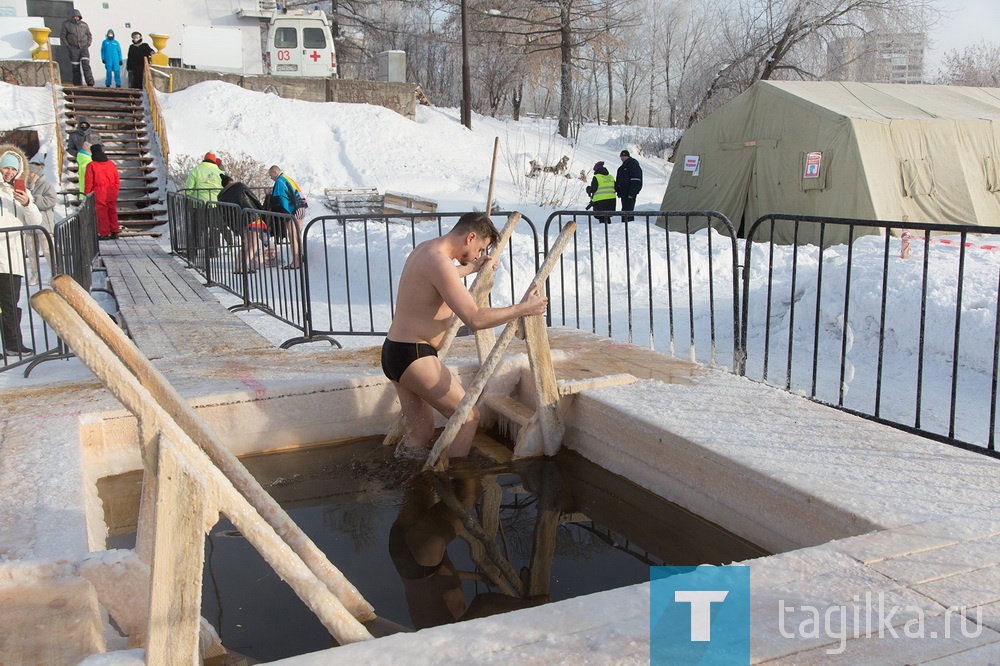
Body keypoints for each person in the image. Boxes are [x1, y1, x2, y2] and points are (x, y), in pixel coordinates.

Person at [381, 212, 548, 459]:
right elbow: (475, 318)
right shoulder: (439, 262)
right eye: (480, 248)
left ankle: (409, 482)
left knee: (422, 431)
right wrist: (523, 308)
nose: (480, 255)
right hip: (415, 355)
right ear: (470, 237)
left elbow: (439, 276)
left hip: (395, 351)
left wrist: (469, 268)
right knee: (468, 418)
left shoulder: (426, 251)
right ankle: (457, 481)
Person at [0, 145, 42, 356]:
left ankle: (13, 343)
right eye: (5, 168)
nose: (9, 172)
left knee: (11, 303)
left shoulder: (21, 192)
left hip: (12, 256)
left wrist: (27, 203)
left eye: (13, 169)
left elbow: (36, 221)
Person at [218, 174, 269, 273]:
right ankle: (245, 266)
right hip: (252, 216)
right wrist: (262, 213)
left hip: (241, 221)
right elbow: (254, 199)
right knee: (253, 245)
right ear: (231, 180)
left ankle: (238, 267)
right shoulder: (239, 187)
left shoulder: (222, 196)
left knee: (246, 245)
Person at [267, 165, 307, 270]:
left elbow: (275, 200)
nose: (270, 178)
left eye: (270, 175)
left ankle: (296, 262)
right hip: (301, 207)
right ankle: (299, 257)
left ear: (275, 172)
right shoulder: (287, 178)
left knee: (292, 236)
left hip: (293, 210)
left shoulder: (279, 181)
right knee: (297, 236)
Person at [25, 161, 57, 286]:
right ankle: (35, 274)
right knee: (32, 252)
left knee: (48, 251)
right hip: (29, 223)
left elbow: (51, 201)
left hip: (44, 224)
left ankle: (54, 273)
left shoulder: (46, 186)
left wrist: (33, 200)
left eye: (31, 173)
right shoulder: (25, 186)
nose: (29, 175)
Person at [84, 144, 120, 240]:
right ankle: (115, 231)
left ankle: (104, 233)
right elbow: (117, 179)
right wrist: (116, 190)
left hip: (99, 192)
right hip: (111, 191)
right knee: (112, 211)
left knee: (102, 213)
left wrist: (87, 194)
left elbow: (89, 182)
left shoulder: (91, 165)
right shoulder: (111, 164)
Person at [60, 9, 94, 87]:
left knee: (86, 65)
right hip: (73, 48)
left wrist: (88, 44)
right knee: (75, 67)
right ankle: (77, 83)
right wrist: (68, 46)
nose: (76, 18)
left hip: (84, 48)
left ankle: (90, 81)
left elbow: (89, 35)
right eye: (74, 16)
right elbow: (63, 36)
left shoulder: (84, 25)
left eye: (77, 16)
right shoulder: (66, 24)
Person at [616, 149, 643, 223]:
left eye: (624, 156)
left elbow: (636, 180)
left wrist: (632, 192)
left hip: (629, 193)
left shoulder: (633, 164)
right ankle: (625, 225)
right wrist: (619, 190)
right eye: (621, 156)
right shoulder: (622, 167)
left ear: (627, 156)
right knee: (625, 211)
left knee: (628, 211)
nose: (622, 158)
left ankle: (629, 226)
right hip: (624, 193)